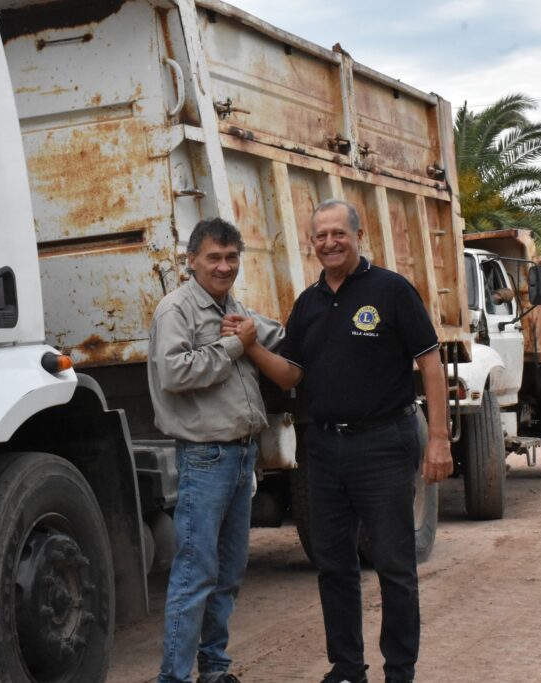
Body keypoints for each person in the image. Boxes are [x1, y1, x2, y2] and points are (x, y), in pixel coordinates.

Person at [226, 199, 453, 683]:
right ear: (312, 242)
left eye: (338, 234)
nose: (330, 243)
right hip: (325, 450)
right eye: (321, 236)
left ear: (358, 236)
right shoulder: (308, 303)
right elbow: (291, 373)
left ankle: (400, 672)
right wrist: (251, 347)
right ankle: (347, 668)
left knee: (394, 566)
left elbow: (431, 364)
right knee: (333, 567)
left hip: (384, 444)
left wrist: (439, 439)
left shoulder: (391, 290)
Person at [148, 217, 284, 683]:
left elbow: (280, 337)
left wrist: (251, 332)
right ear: (191, 261)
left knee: (228, 572)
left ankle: (215, 669)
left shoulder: (235, 308)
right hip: (205, 458)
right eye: (213, 258)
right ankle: (174, 677)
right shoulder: (177, 310)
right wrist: (233, 346)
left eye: (231, 257)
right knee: (195, 572)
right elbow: (174, 373)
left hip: (241, 455)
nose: (224, 266)